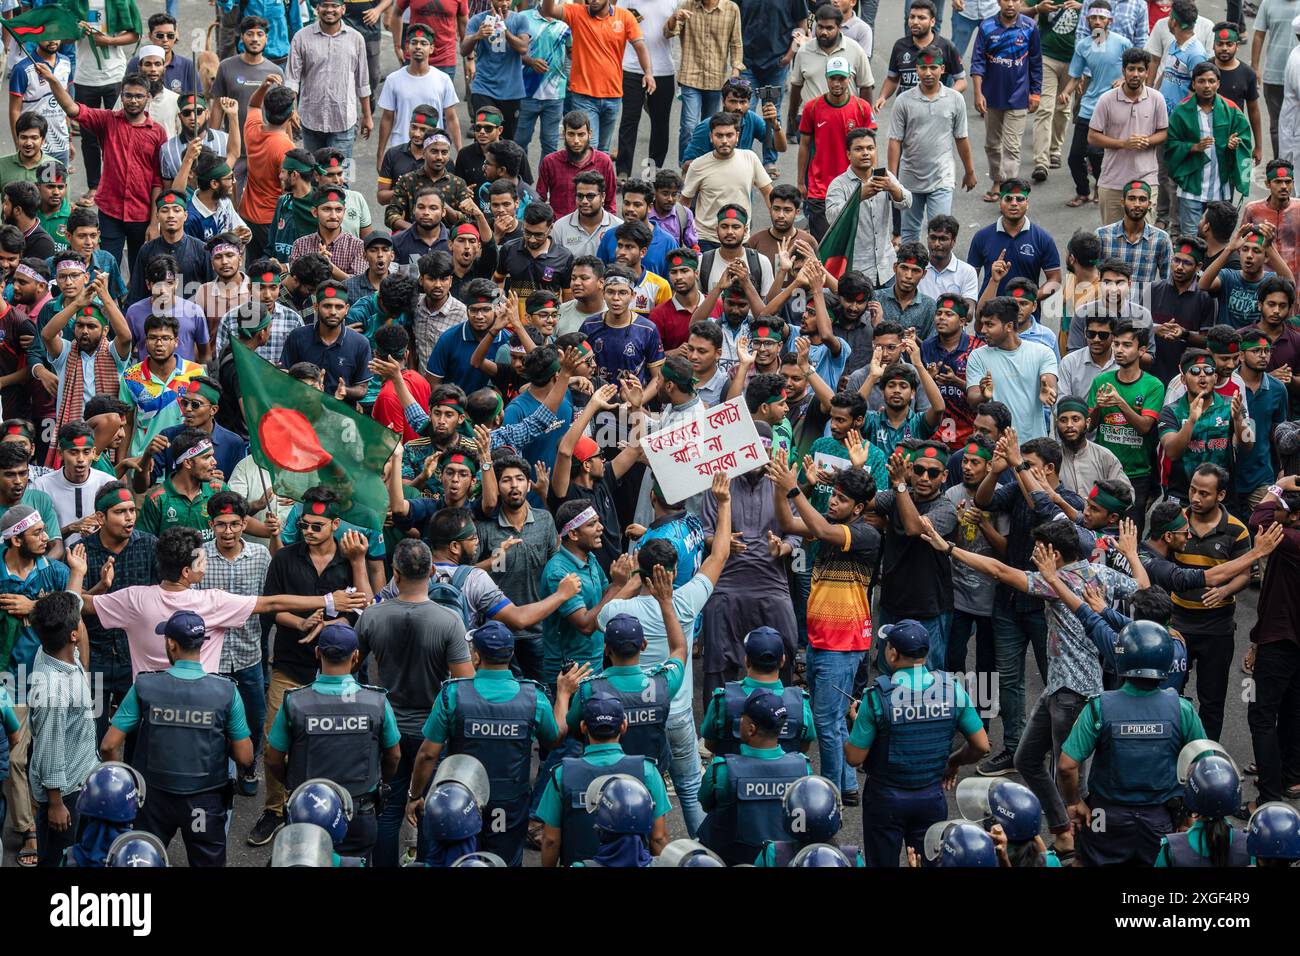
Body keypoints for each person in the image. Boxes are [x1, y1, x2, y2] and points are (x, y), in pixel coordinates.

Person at [404, 620, 574, 866]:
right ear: (511, 654)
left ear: (476, 656)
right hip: (510, 805)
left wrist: (415, 795)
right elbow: (555, 738)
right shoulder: (533, 697)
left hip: (459, 800)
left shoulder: (453, 694)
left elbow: (428, 754)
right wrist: (564, 695)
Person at [97, 610, 252, 868]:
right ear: (201, 643)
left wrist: (127, 785)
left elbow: (108, 745)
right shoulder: (227, 691)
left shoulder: (144, 686)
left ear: (171, 643)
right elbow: (246, 756)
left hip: (152, 799)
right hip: (205, 800)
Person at [767, 452, 875, 803]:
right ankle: (847, 786)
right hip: (821, 641)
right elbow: (789, 522)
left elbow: (820, 529)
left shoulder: (863, 534)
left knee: (827, 724)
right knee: (836, 718)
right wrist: (780, 488)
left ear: (858, 509)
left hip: (841, 644)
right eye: (834, 494)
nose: (833, 501)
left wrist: (795, 489)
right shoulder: (830, 527)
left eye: (842, 499)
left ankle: (827, 797)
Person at [1056, 621, 1206, 865]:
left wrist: (1075, 803)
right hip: (1162, 820)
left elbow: (1066, 766)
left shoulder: (1098, 707)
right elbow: (1205, 765)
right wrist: (1189, 813)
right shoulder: (1182, 709)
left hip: (1104, 815)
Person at [844, 619, 990, 866]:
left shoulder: (876, 697)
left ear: (892, 653)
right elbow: (981, 745)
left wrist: (856, 723)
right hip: (931, 797)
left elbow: (854, 757)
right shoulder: (952, 689)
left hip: (885, 799)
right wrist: (952, 762)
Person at [264, 622, 401, 862]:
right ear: (356, 656)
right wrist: (380, 782)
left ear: (318, 653)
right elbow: (394, 755)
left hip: (307, 810)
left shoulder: (295, 702)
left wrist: (292, 784)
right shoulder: (376, 702)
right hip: (360, 811)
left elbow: (272, 758)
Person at [36, 65, 165, 272]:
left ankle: (131, 304)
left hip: (141, 214)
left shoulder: (158, 133)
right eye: (128, 95)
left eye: (139, 96)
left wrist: (153, 222)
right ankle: (104, 303)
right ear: (121, 96)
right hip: (110, 211)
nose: (133, 100)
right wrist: (52, 80)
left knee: (140, 270)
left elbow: (158, 180)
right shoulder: (107, 120)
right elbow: (72, 108)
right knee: (104, 268)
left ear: (148, 97)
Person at [537, 694, 671, 866]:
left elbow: (550, 840)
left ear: (583, 727)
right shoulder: (647, 772)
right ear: (623, 726)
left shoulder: (562, 774)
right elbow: (658, 838)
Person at [698, 690, 813, 865]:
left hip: (730, 858)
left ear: (751, 729)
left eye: (742, 718)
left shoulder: (722, 770)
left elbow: (706, 804)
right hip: (782, 860)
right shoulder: (803, 768)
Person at [887, 45, 977, 243]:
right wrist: (892, 179)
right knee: (909, 233)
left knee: (940, 231)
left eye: (933, 68)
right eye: (923, 68)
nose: (928, 73)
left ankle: (938, 271)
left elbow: (961, 138)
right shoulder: (903, 101)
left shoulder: (955, 99)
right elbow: (895, 141)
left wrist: (969, 171)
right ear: (916, 69)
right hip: (909, 179)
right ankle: (912, 271)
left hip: (941, 178)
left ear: (942, 69)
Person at [539, 0, 655, 153]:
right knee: (589, 148)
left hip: (613, 96)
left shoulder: (625, 16)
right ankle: (584, 177)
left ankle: (600, 178)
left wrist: (648, 73)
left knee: (603, 151)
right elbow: (548, 10)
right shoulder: (576, 13)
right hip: (583, 96)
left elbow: (640, 45)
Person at [1165, 61, 1254, 239]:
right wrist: (1193, 147)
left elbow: (1244, 139)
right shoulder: (1182, 111)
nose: (1207, 86)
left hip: (1221, 188)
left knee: (1219, 238)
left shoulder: (1231, 110)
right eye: (1201, 81)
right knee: (1190, 238)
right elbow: (1170, 145)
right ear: (1193, 83)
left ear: (1218, 84)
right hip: (1192, 186)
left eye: (1211, 81)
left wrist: (1234, 144)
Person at [284, 0, 373, 166]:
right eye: (325, 5)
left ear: (343, 9)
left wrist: (367, 116)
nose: (329, 10)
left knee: (340, 178)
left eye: (335, 6)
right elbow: (292, 80)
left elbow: (362, 81)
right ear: (317, 9)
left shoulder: (356, 39)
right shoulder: (301, 37)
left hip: (343, 121)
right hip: (311, 120)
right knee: (313, 176)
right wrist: (292, 109)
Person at [970, 0, 1043, 201]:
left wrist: (1035, 93)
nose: (1010, 4)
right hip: (992, 96)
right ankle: (997, 179)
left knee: (1012, 147)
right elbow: (977, 62)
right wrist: (978, 93)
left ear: (1021, 2)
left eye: (1015, 0)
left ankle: (1010, 189)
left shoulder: (1030, 27)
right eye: (1006, 0)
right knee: (992, 144)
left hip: (1019, 97)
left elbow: (1036, 62)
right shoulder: (986, 26)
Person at [1060, 2, 1130, 211]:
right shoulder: (1083, 45)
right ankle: (1083, 191)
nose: (1097, 22)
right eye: (1093, 18)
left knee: (1096, 152)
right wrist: (1066, 92)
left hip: (1113, 106)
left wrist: (1123, 80)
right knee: (1074, 157)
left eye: (1102, 18)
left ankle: (1102, 186)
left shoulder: (1123, 43)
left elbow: (1138, 70)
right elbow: (1075, 76)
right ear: (1087, 20)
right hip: (1089, 105)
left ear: (1110, 21)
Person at [797, 57, 876, 241]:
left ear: (849, 78)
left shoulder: (862, 108)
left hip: (854, 187)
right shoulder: (812, 107)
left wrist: (872, 179)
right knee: (825, 244)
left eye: (841, 78)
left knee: (852, 243)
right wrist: (801, 181)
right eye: (833, 78)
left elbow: (871, 147)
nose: (837, 83)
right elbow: (804, 146)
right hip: (820, 190)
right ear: (826, 78)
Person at [1086, 48, 1167, 226]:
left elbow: (1163, 132)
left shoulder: (1157, 99)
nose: (1135, 74)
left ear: (1147, 72)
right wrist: (1124, 144)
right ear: (1123, 71)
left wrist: (1147, 141)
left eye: (1140, 70)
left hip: (1146, 180)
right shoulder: (1106, 100)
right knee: (1111, 239)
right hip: (1112, 181)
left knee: (1145, 238)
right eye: (1131, 69)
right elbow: (1092, 137)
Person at [965, 296, 1059, 440]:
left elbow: (1050, 386)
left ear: (1008, 326)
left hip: (1032, 448)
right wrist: (982, 395)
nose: (983, 330)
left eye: (989, 325)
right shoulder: (977, 356)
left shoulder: (1042, 353)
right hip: (993, 449)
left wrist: (1049, 392)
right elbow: (972, 399)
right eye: (983, 324)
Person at [826, 129, 911, 287]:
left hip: (887, 268)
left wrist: (893, 188)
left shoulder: (885, 176)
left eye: (870, 148)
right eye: (859, 149)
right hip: (856, 270)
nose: (865, 153)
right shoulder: (838, 185)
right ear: (848, 154)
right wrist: (858, 197)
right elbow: (832, 218)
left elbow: (907, 202)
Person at [665, 0, 746, 167]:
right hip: (690, 77)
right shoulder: (687, 6)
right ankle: (686, 167)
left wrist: (735, 72)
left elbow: (736, 43)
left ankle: (707, 168)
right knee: (689, 126)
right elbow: (669, 32)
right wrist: (674, 17)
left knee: (712, 127)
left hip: (717, 81)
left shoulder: (731, 9)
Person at [680, 113, 774, 252]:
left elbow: (768, 192)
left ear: (737, 136)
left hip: (741, 238)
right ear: (711, 137)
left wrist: (777, 222)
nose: (724, 140)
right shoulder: (698, 165)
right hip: (706, 240)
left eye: (729, 135)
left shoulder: (750, 158)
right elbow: (684, 203)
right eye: (719, 135)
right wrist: (685, 236)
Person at [378, 25, 462, 156]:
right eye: (414, 42)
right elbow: (387, 118)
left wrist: (459, 152)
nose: (418, 47)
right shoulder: (393, 80)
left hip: (433, 151)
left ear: (431, 49)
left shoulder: (443, 79)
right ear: (407, 47)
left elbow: (451, 118)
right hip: (401, 150)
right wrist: (380, 153)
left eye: (424, 43)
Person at [536, 114, 617, 223]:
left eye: (581, 134)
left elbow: (610, 203)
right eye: (571, 134)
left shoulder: (604, 162)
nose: (576, 140)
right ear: (563, 134)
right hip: (558, 227)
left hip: (595, 227)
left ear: (590, 134)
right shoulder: (550, 162)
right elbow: (539, 198)